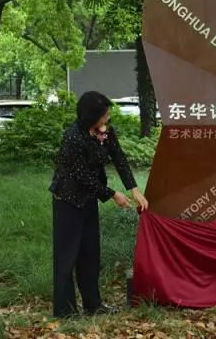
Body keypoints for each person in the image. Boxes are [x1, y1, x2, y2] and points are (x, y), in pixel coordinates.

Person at [49, 91, 149, 318]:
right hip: (67, 200)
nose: (107, 119)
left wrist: (134, 189)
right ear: (90, 115)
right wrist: (112, 194)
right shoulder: (73, 137)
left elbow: (119, 158)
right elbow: (82, 176)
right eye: (104, 115)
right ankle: (65, 311)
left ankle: (93, 305)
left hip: (88, 200)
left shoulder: (105, 132)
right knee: (67, 256)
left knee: (90, 253)